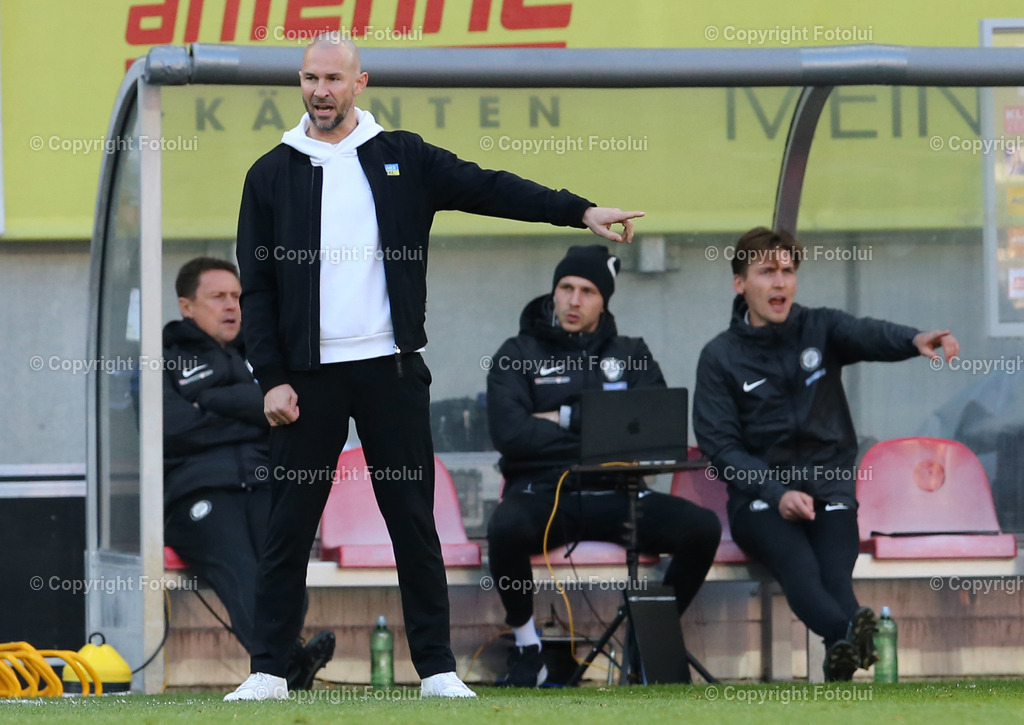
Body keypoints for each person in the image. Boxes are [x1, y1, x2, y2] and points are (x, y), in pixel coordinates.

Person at [228, 32, 645, 701]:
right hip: (308, 379)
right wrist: (270, 375)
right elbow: (257, 288)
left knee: (413, 522)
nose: (320, 91)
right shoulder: (271, 172)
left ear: (360, 83)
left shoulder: (404, 157)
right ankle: (269, 669)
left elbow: (491, 187)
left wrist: (581, 210)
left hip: (390, 371)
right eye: (309, 78)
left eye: (333, 79)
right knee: (288, 525)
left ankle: (437, 669)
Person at [692, 227, 959, 681]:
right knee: (799, 567)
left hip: (829, 487)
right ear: (740, 283)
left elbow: (867, 333)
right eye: (767, 272)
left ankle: (840, 650)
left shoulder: (821, 328)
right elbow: (721, 446)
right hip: (760, 500)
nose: (780, 283)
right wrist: (776, 493)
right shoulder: (720, 356)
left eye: (788, 271)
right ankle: (850, 634)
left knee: (835, 575)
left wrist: (914, 340)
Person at [486, 245, 722, 687]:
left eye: (588, 291)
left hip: (622, 494)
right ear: (554, 292)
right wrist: (603, 423)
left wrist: (560, 417)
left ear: (604, 300)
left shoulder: (631, 353)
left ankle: (647, 641)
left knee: (702, 528)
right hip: (546, 493)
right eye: (566, 288)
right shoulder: (517, 351)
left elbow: (654, 432)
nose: (574, 300)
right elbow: (510, 433)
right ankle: (527, 647)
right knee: (504, 528)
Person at [163, 257, 335, 692]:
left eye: (237, 296)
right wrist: (257, 410)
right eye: (218, 296)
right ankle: (286, 665)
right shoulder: (162, 359)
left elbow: (296, 413)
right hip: (197, 491)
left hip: (265, 482)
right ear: (187, 306)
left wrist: (210, 401)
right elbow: (171, 429)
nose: (232, 306)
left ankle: (286, 666)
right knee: (242, 570)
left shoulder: (265, 354)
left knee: (284, 565)